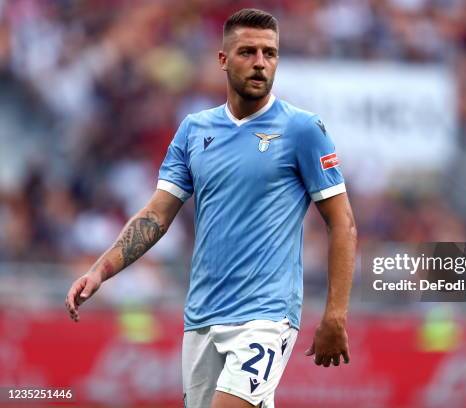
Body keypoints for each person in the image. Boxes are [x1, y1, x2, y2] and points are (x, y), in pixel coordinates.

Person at [65, 8, 357, 408]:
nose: (260, 63)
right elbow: (156, 215)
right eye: (248, 52)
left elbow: (343, 224)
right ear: (223, 60)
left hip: (265, 316)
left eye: (269, 54)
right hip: (202, 316)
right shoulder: (194, 130)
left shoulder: (302, 130)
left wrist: (335, 314)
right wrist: (101, 270)